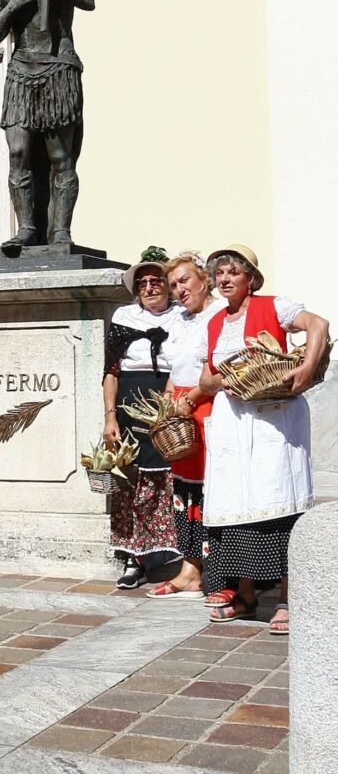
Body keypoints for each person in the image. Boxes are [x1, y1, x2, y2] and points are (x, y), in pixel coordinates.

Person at [199, 245, 328, 633]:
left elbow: (318, 325)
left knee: (279, 498)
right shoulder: (215, 321)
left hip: (274, 419)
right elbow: (207, 379)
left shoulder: (275, 306)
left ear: (251, 278)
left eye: (233, 272)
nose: (224, 279)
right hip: (233, 421)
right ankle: (246, 593)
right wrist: (227, 380)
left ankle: (289, 598)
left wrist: (305, 369)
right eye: (219, 274)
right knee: (236, 501)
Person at [0, 0, 95, 250]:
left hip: (58, 67)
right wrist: (15, 4)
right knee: (18, 152)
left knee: (61, 156)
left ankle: (60, 230)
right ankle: (27, 227)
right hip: (21, 70)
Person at [102, 247, 182, 589]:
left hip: (169, 397)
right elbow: (111, 371)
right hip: (128, 401)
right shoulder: (123, 317)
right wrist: (110, 417)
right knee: (130, 481)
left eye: (156, 281)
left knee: (168, 479)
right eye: (143, 283)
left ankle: (170, 552)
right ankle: (134, 560)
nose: (149, 287)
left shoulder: (182, 316)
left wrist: (167, 404)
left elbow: (185, 364)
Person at [148, 251, 224, 600]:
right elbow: (173, 371)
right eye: (174, 284)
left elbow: (217, 372)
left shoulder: (220, 316)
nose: (179, 289)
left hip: (207, 406)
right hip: (179, 409)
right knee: (185, 492)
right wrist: (166, 404)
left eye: (185, 281)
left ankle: (220, 571)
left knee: (213, 490)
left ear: (205, 278)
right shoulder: (179, 321)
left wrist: (190, 400)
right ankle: (190, 569)